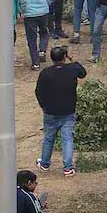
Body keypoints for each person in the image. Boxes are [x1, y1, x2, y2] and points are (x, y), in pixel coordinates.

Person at [34, 46, 85, 176]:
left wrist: (43, 106)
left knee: (49, 138)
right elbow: (83, 73)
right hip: (68, 110)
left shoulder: (45, 72)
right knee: (67, 138)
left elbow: (38, 91)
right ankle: (68, 167)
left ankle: (45, 163)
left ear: (51, 58)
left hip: (50, 111)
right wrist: (72, 59)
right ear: (64, 57)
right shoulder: (72, 69)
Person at [17, 0, 56, 70]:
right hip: (43, 12)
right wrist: (45, 5)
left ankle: (35, 63)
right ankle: (42, 50)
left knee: (31, 39)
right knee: (44, 32)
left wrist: (24, 10)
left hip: (30, 15)